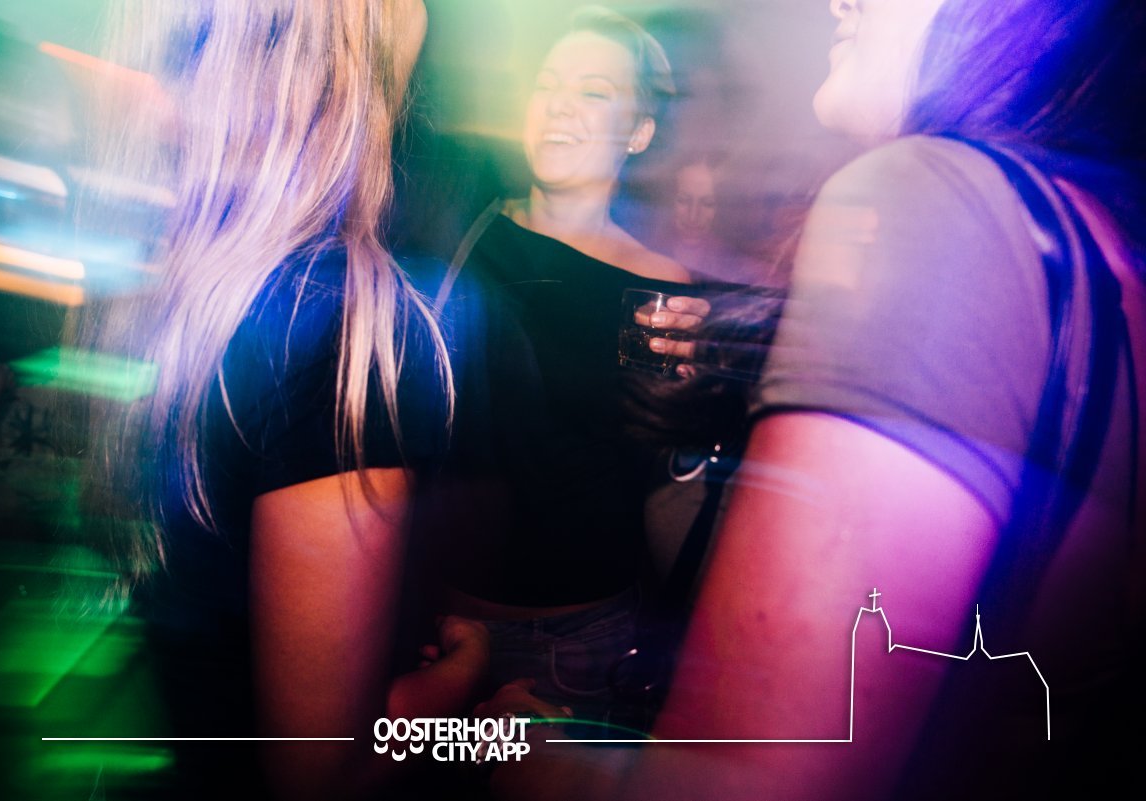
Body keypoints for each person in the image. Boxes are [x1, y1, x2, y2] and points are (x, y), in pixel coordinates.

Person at [481, 1, 1145, 799]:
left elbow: (735, 786)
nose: (839, 0)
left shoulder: (936, 196)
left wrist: (518, 745)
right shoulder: (1095, 247)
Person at [81, 2, 488, 799]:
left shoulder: (170, 288)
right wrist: (473, 703)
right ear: (339, 51)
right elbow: (322, 770)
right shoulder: (346, 328)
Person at [409, 6, 710, 726]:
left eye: (594, 92)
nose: (561, 107)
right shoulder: (464, 223)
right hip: (434, 624)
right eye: (548, 85)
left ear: (638, 131)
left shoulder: (655, 289)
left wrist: (692, 404)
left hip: (574, 648)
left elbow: (653, 468)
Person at [660, 152, 776, 286]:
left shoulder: (740, 268)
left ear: (723, 206)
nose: (693, 215)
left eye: (708, 203)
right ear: (668, 200)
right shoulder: (645, 251)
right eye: (684, 200)